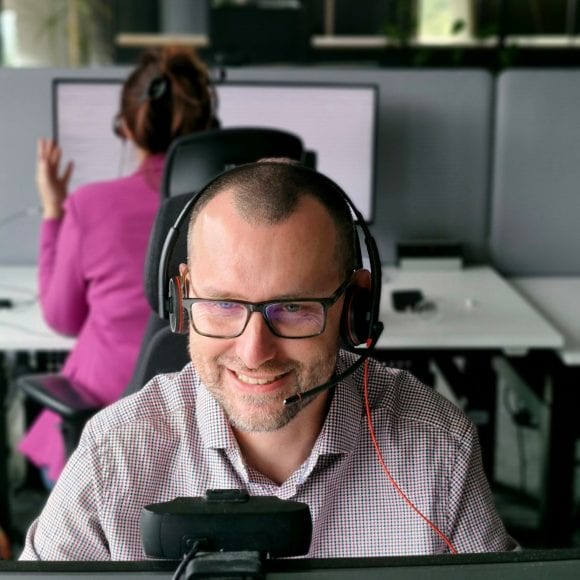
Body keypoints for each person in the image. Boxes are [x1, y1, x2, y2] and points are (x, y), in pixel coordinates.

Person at [19, 161, 517, 560]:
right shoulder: (115, 455)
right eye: (221, 304)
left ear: (355, 307)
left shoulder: (435, 450)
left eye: (294, 308)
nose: (254, 352)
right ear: (182, 297)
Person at [18, 46, 215, 486]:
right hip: (208, 442)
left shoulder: (91, 205)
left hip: (100, 435)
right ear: (208, 128)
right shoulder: (226, 209)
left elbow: (61, 317)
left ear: (125, 127)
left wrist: (53, 212)